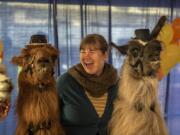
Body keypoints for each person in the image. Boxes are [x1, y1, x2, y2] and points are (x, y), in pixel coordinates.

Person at [57, 34, 119, 135]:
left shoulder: (117, 84)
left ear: (105, 55)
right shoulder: (65, 82)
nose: (86, 56)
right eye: (82, 52)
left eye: (92, 51)